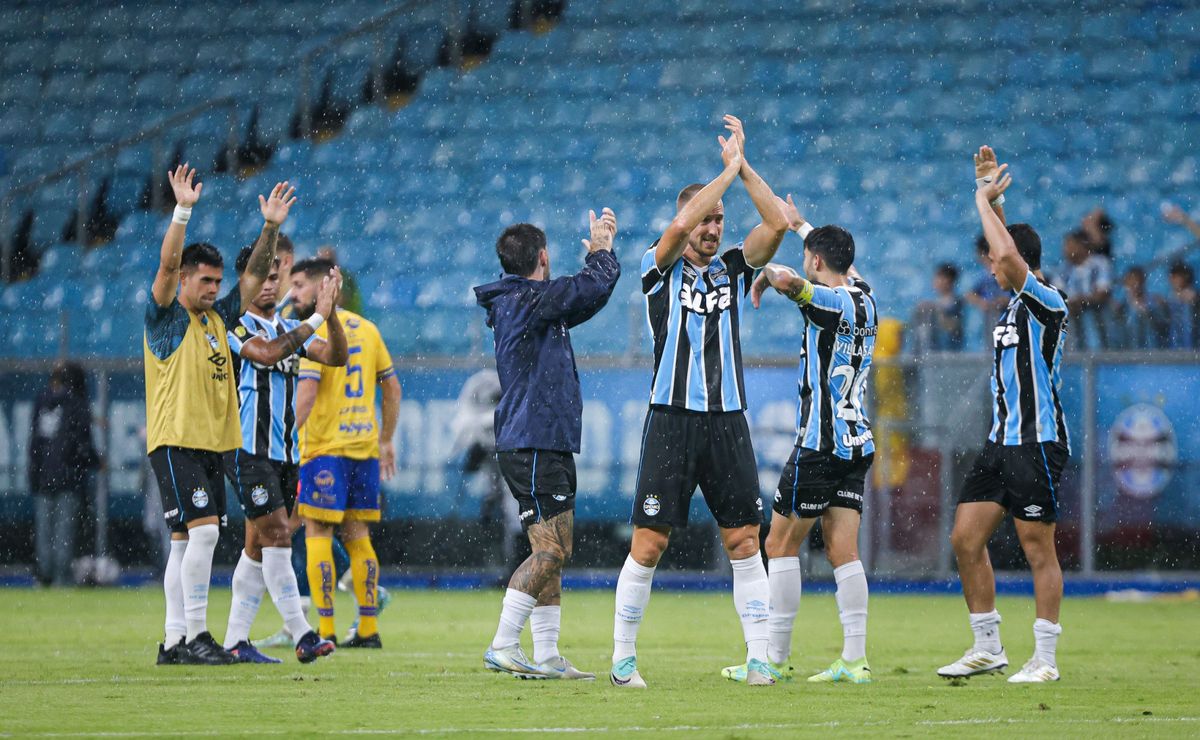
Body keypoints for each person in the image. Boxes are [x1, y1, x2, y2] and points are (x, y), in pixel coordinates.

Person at [610, 116, 789, 688]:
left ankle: (759, 657)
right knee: (650, 542)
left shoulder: (735, 269)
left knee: (743, 540)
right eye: (707, 220)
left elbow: (778, 222)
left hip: (727, 422)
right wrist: (722, 173)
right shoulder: (655, 270)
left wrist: (744, 169)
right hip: (671, 421)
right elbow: (680, 221)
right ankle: (622, 660)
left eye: (719, 221)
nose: (712, 229)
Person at [718, 199, 878, 685]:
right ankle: (854, 660)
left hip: (820, 443)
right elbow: (837, 266)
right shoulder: (867, 296)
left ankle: (772, 656)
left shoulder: (828, 302)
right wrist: (801, 225)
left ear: (815, 261)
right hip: (856, 442)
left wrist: (767, 272)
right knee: (843, 551)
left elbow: (793, 283)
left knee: (779, 544)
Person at [148, 165, 293, 666]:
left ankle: (172, 643)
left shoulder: (218, 317)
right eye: (204, 281)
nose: (213, 288)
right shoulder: (167, 318)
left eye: (216, 281)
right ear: (184, 280)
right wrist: (183, 210)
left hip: (211, 441)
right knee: (206, 532)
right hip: (175, 439)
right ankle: (197, 635)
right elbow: (166, 269)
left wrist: (269, 228)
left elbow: (253, 278)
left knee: (185, 540)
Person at [937, 147, 1071, 684]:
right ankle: (988, 647)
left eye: (992, 259)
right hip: (1001, 441)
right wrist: (994, 196)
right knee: (965, 540)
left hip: (1037, 440)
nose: (989, 266)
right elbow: (1009, 259)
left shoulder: (1046, 299)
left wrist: (982, 198)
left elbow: (1012, 262)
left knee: (1038, 547)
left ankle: (1046, 660)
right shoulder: (1014, 306)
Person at [475, 210, 621, 680]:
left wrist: (598, 269)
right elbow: (588, 289)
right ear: (542, 257)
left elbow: (583, 302)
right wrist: (601, 251)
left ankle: (547, 654)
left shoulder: (526, 301)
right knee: (550, 552)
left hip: (540, 439)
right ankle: (502, 643)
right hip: (533, 440)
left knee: (556, 548)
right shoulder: (526, 299)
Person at [218, 247, 349, 664]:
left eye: (279, 276)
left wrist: (329, 315)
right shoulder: (234, 324)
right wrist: (314, 319)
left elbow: (336, 357)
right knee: (277, 535)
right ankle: (304, 633)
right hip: (247, 451)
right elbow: (268, 353)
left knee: (257, 546)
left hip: (285, 455)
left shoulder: (291, 325)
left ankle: (236, 641)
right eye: (265, 276)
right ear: (246, 281)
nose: (272, 284)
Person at [294, 258, 401, 648]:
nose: (294, 293)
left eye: (300, 285)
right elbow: (391, 388)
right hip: (363, 448)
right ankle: (369, 630)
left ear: (323, 288)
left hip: (324, 448)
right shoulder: (368, 329)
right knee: (358, 537)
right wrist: (386, 439)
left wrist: (286, 436)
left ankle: (325, 630)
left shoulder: (315, 331)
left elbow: (307, 393)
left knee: (317, 533)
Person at [29, 361, 100, 587]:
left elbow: (34, 444)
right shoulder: (77, 403)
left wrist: (34, 474)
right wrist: (96, 462)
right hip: (68, 477)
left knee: (44, 532)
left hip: (43, 475)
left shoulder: (42, 400)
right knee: (63, 533)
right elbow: (81, 444)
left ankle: (44, 576)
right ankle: (60, 579)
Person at [1057, 229, 1112, 349]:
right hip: (1072, 312)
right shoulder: (1064, 269)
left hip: (1095, 311)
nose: (1065, 250)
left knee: (1091, 314)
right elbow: (1056, 295)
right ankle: (1072, 356)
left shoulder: (1099, 263)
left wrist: (1082, 301)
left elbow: (1103, 293)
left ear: (1082, 245)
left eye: (1070, 245)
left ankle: (1099, 354)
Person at [1111, 266, 1169, 350]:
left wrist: (1149, 312)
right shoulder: (1120, 303)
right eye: (1132, 281)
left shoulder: (1154, 300)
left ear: (1144, 281)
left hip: (1150, 347)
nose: (1136, 284)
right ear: (1126, 282)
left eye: (1139, 280)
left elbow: (1162, 323)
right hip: (1127, 346)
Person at [911, 262, 965, 352]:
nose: (934, 280)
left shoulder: (956, 303)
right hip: (935, 351)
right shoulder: (936, 302)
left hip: (950, 352)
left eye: (938, 277)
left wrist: (936, 311)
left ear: (948, 280)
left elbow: (953, 326)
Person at [1165, 261, 1198, 349]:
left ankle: (1187, 348)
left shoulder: (1192, 294)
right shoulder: (1171, 294)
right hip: (1175, 336)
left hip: (1190, 339)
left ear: (1186, 277)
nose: (1172, 279)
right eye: (1171, 277)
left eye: (1176, 277)